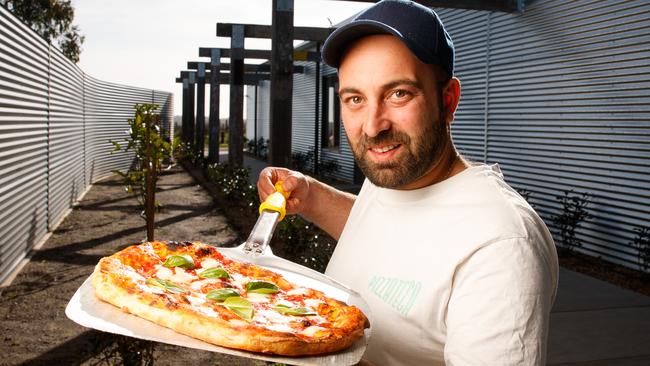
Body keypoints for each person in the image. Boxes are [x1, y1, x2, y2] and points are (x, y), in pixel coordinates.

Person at [257, 1, 558, 364]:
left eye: (398, 93)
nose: (373, 126)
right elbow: (390, 231)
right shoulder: (396, 175)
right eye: (355, 99)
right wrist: (309, 194)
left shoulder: (502, 245)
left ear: (447, 100)